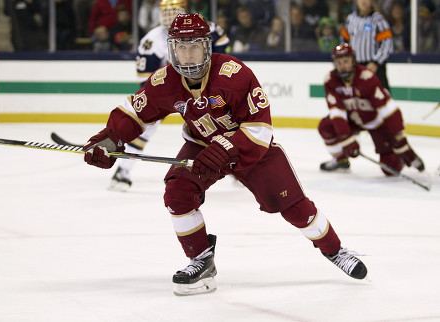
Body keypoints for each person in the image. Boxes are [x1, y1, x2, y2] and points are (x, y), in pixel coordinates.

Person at [83, 13, 368, 296]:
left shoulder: (234, 74)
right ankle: (201, 260)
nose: (188, 54)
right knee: (178, 193)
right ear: (172, 49)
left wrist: (227, 148)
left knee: (296, 208)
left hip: (251, 150)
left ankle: (335, 250)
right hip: (202, 146)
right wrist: (110, 140)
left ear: (207, 46)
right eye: (181, 46)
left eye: (194, 45)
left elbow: (260, 130)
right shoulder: (165, 80)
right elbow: (135, 111)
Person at [110, 0, 229, 191]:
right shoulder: (151, 41)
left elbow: (223, 52)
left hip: (203, 89)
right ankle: (123, 171)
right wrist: (161, 98)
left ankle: (241, 169)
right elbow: (145, 79)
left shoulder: (206, 28)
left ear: (185, 11)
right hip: (169, 92)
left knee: (224, 124)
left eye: (174, 11)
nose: (168, 16)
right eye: (165, 12)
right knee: (145, 126)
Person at [318, 43, 425, 175]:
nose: (342, 66)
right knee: (326, 126)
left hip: (376, 123)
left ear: (353, 60)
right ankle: (340, 160)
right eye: (338, 62)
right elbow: (337, 112)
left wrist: (398, 138)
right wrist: (346, 138)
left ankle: (399, 159)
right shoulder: (331, 80)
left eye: (346, 61)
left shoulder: (367, 77)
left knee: (390, 168)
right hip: (353, 121)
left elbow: (388, 110)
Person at [341, 0, 393, 91]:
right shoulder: (351, 19)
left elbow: (387, 43)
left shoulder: (378, 20)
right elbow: (344, 40)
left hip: (375, 67)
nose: (363, 1)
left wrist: (376, 62)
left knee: (381, 98)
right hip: (355, 67)